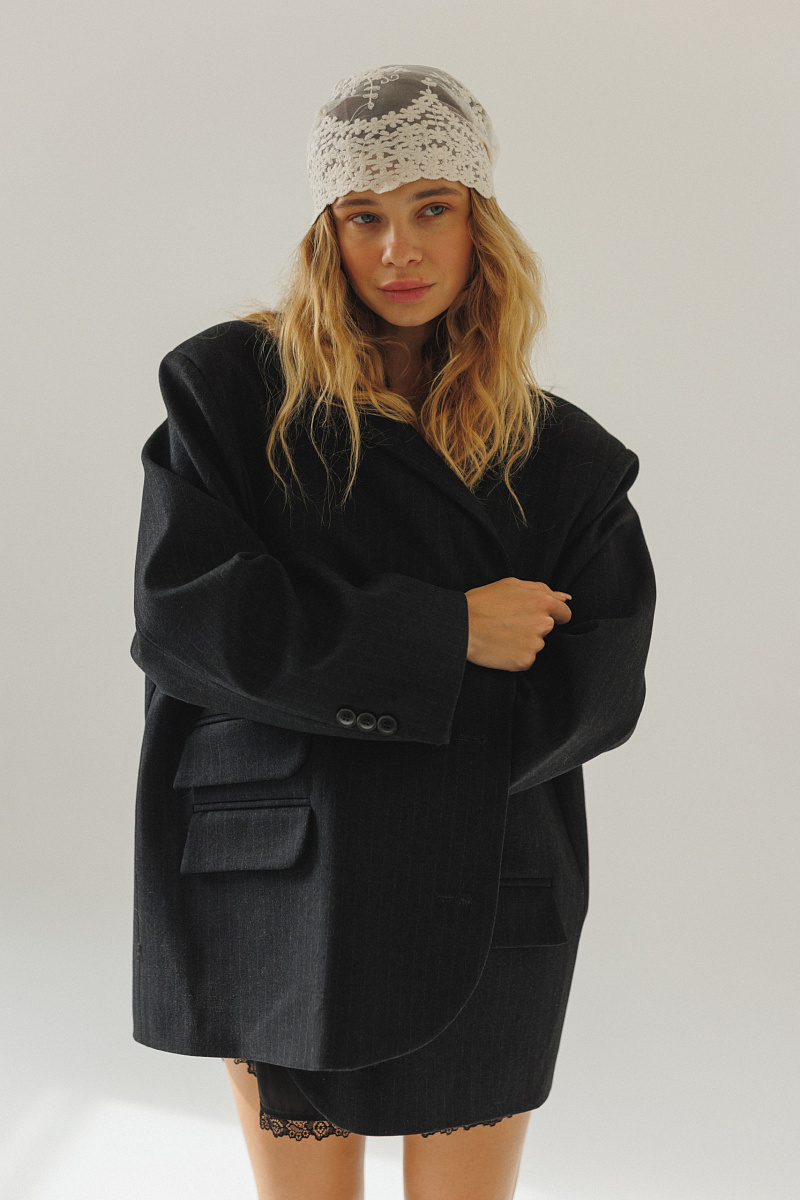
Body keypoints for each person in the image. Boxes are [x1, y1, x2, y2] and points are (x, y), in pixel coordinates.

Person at [130, 64, 656, 1200]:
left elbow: (600, 685)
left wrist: (345, 712)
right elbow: (189, 618)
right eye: (363, 215)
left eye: (432, 208)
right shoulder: (233, 393)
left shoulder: (563, 458)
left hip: (486, 878)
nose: (398, 250)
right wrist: (445, 631)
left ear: (480, 223)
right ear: (326, 230)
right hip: (285, 869)